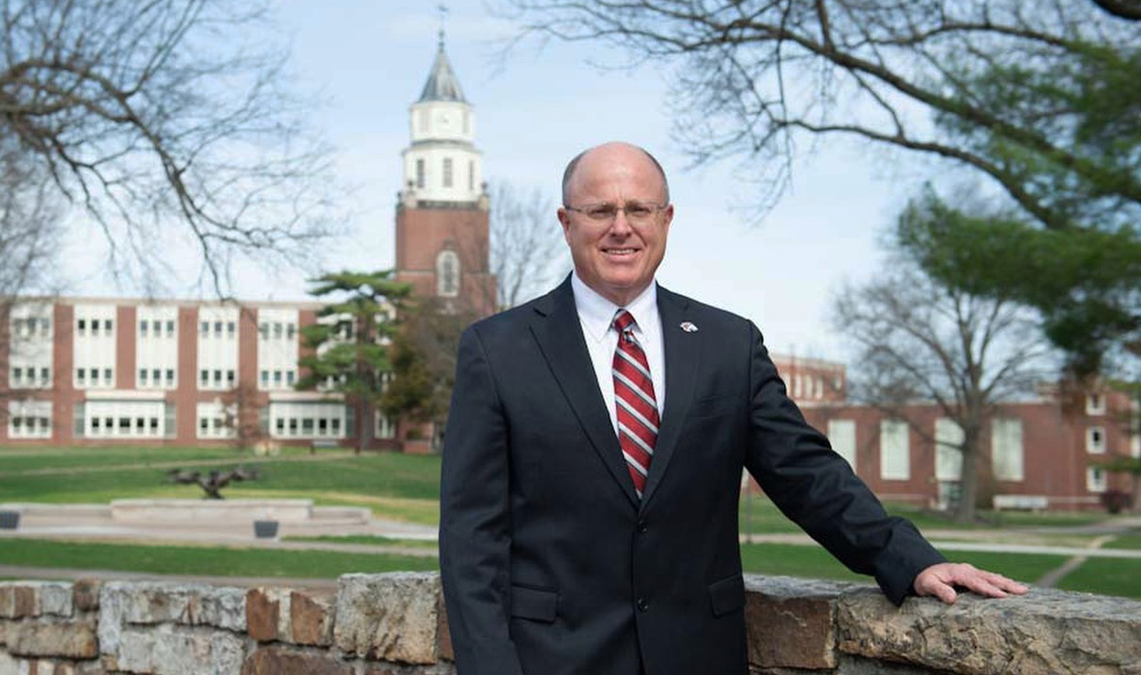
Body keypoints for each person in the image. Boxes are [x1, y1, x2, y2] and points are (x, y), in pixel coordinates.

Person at [439, 141, 1027, 675]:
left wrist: (908, 558)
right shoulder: (498, 351)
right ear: (566, 224)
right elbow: (472, 539)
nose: (622, 228)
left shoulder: (727, 344)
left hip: (699, 654)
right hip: (555, 659)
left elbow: (804, 472)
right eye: (600, 212)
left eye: (639, 210)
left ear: (667, 220)